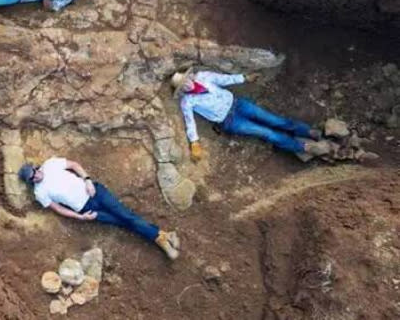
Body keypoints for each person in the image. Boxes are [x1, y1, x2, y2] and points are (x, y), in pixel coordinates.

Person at [18, 157, 181, 260]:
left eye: (34, 173)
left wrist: (87, 180)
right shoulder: (40, 192)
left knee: (127, 216)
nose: (35, 177)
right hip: (85, 209)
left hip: (95, 192)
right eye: (31, 178)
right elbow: (58, 208)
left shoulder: (50, 164)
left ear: (35, 168)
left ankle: (160, 239)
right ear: (30, 181)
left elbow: (74, 165)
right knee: (122, 222)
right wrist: (80, 217)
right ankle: (164, 235)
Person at [171, 69, 332, 161]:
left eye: (186, 80)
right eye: (182, 86)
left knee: (274, 120)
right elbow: (189, 122)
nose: (186, 84)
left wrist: (244, 77)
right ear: (181, 90)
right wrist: (195, 143)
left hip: (238, 104)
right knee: (267, 133)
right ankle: (305, 147)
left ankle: (308, 132)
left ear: (190, 76)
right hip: (230, 121)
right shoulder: (187, 101)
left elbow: (224, 79)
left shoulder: (204, 77)